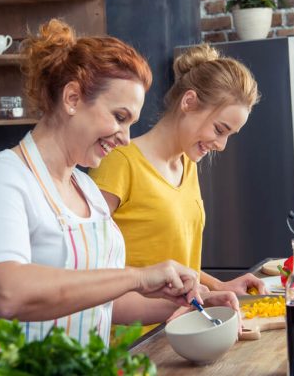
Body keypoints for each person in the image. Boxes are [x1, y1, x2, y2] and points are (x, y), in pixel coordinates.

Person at [0, 20, 238, 371]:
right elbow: (5, 292)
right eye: (119, 117)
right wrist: (138, 276)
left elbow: (108, 304)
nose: (125, 137)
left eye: (131, 123)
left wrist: (192, 303)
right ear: (73, 98)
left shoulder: (88, 191)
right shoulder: (3, 179)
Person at [89, 44, 265, 297]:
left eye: (229, 135)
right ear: (189, 102)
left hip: (184, 325)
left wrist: (219, 286)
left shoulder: (188, 165)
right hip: (136, 332)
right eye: (219, 129)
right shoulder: (119, 162)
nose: (222, 146)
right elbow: (88, 264)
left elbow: (172, 263)